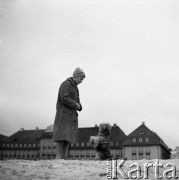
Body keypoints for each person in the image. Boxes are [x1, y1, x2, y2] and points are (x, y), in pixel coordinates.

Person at [52, 67, 85, 159]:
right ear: (76, 76)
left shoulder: (76, 88)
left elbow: (78, 103)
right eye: (81, 79)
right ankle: (59, 157)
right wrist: (76, 104)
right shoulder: (65, 84)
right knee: (61, 136)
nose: (81, 81)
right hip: (64, 114)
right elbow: (64, 98)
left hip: (71, 116)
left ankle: (64, 157)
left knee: (67, 137)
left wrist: (80, 106)